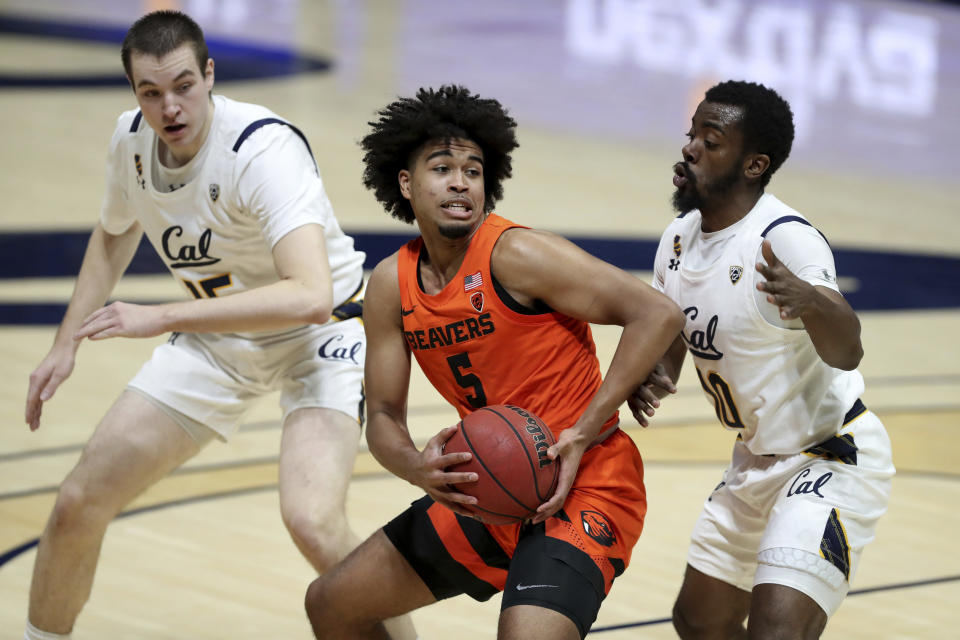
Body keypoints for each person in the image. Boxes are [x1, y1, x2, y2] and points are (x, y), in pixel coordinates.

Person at [22, 10, 414, 640]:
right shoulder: (130, 144)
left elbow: (310, 295)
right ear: (134, 94)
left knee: (312, 521)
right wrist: (64, 343)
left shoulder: (262, 149)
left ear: (210, 73)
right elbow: (113, 233)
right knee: (77, 503)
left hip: (325, 335)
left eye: (183, 85)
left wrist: (161, 316)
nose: (169, 106)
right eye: (151, 93)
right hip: (223, 339)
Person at [302, 85, 684, 640]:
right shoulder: (390, 285)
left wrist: (581, 430)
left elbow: (656, 314)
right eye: (442, 168)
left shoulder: (518, 255)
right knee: (333, 604)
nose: (460, 181)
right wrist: (415, 468)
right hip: (490, 488)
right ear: (405, 183)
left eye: (473, 170)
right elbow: (383, 414)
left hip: (587, 481)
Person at [629, 79, 895, 639]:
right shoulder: (677, 240)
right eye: (691, 134)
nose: (691, 148)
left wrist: (811, 302)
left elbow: (848, 350)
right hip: (753, 460)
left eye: (711, 139)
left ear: (754, 165)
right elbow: (678, 333)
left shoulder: (784, 238)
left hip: (828, 458)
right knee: (698, 621)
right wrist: (650, 375)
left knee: (777, 631)